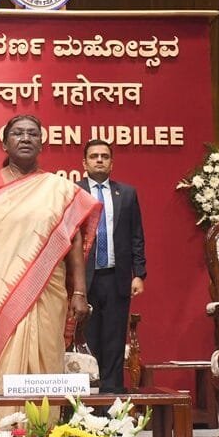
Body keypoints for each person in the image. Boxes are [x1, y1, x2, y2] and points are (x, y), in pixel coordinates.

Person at [0, 115, 98, 425]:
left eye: (33, 133)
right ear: (4, 142)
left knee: (47, 357)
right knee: (6, 360)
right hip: (0, 292)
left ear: (42, 142)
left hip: (48, 290)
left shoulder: (60, 188)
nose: (25, 138)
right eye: (18, 133)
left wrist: (79, 291)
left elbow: (73, 242)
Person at [76, 139, 146, 394]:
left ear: (112, 162)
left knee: (115, 338)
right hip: (85, 278)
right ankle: (89, 398)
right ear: (84, 163)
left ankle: (111, 396)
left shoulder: (126, 193)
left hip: (117, 276)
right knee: (89, 338)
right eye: (93, 156)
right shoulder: (75, 192)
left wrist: (139, 274)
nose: (99, 160)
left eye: (104, 156)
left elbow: (136, 235)